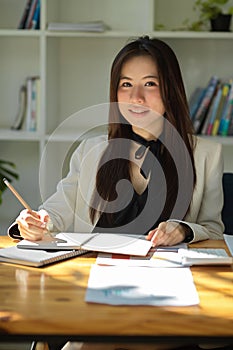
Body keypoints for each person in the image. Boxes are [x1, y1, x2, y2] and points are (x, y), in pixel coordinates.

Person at [8, 36, 225, 350]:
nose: (136, 97)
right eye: (126, 85)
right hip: (95, 289)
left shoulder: (206, 154)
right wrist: (36, 222)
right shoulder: (91, 151)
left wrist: (183, 229)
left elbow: (214, 231)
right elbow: (56, 211)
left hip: (166, 298)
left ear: (170, 89)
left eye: (149, 84)